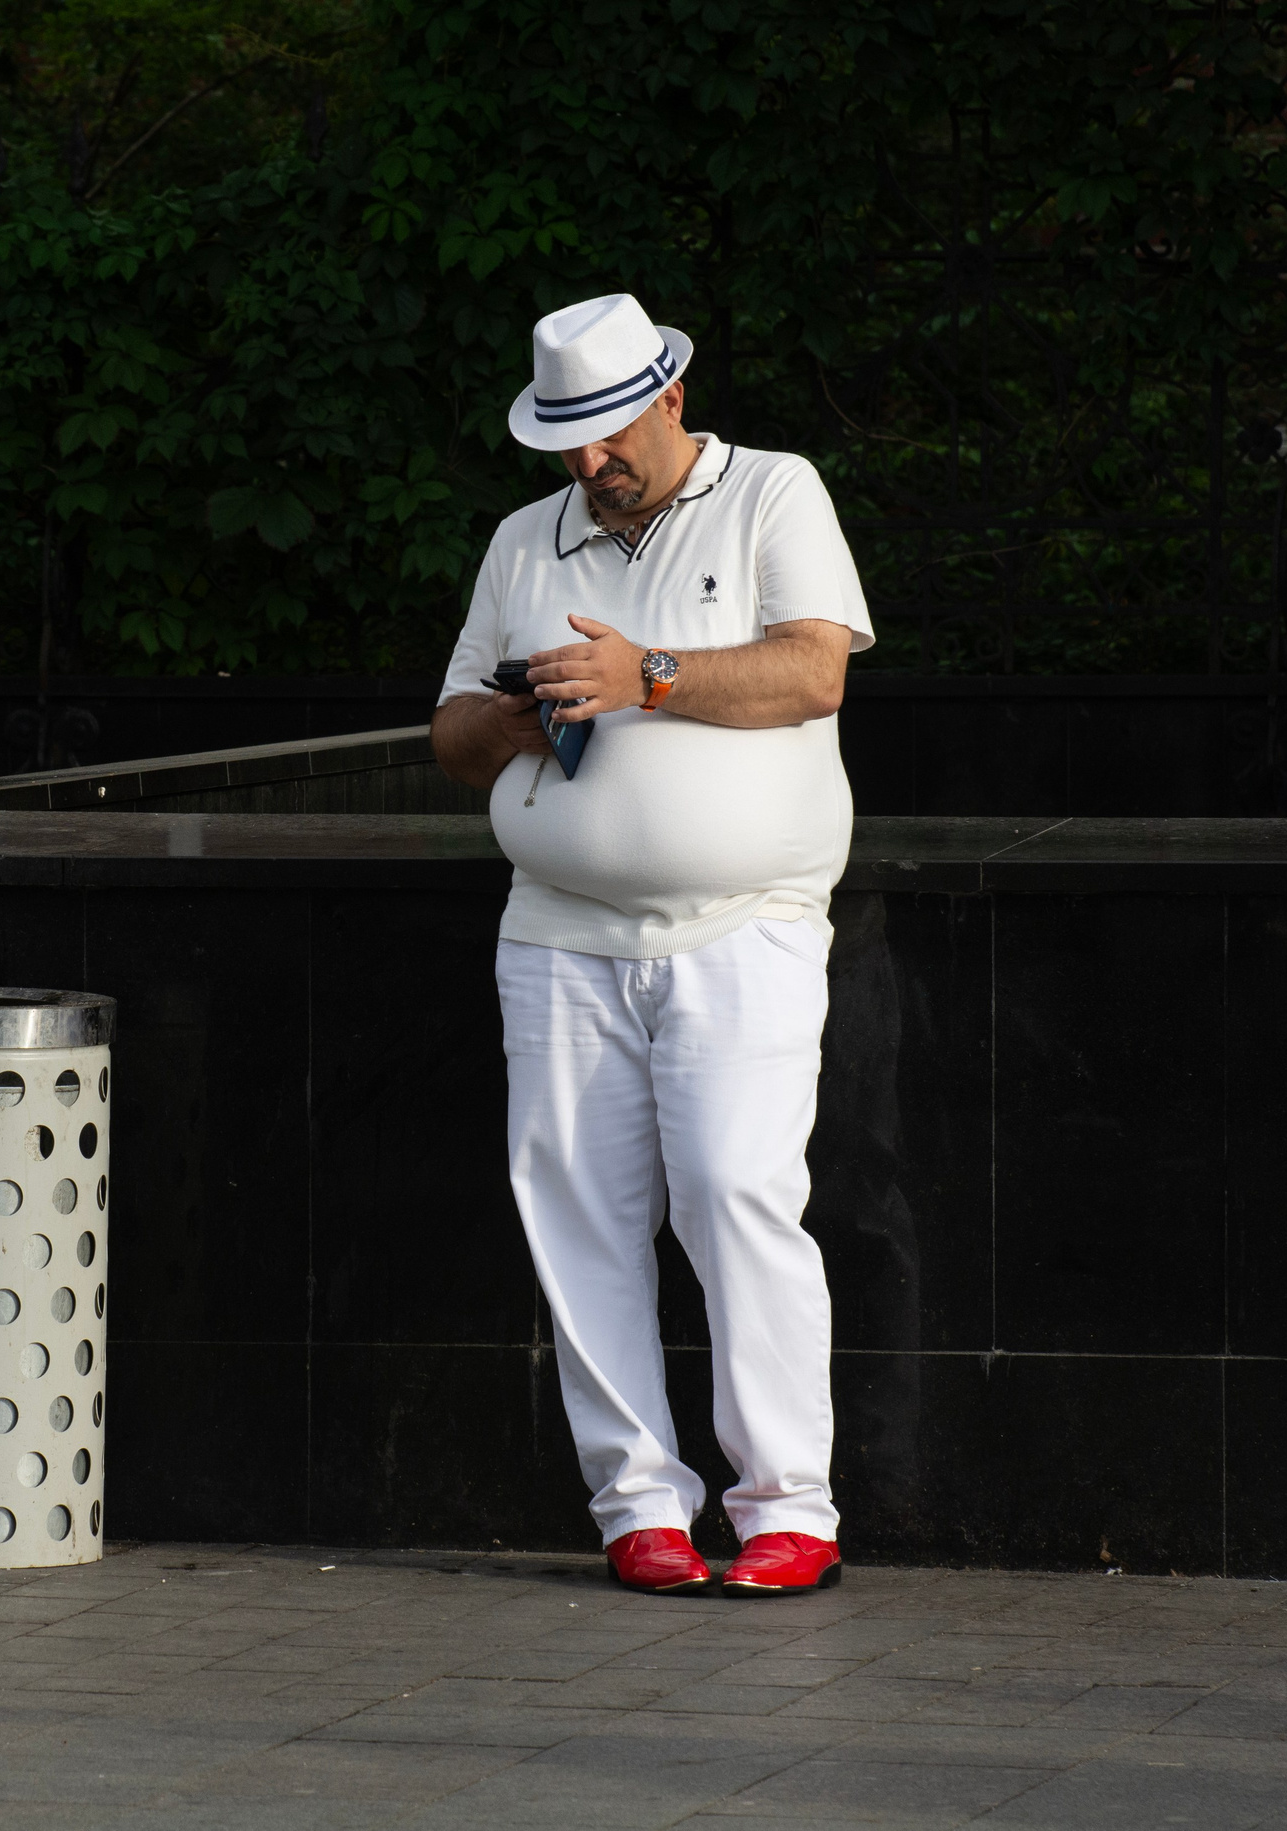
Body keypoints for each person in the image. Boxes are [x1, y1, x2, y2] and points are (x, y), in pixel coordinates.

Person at [431, 295, 873, 1596]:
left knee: (738, 1191)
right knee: (578, 1214)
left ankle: (789, 1504)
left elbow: (813, 675)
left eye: (606, 432)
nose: (587, 462)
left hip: (745, 923)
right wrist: (510, 720)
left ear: (671, 395)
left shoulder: (774, 494)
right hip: (559, 932)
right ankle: (637, 1505)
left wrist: (650, 676)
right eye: (563, 440)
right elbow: (449, 731)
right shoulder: (526, 539)